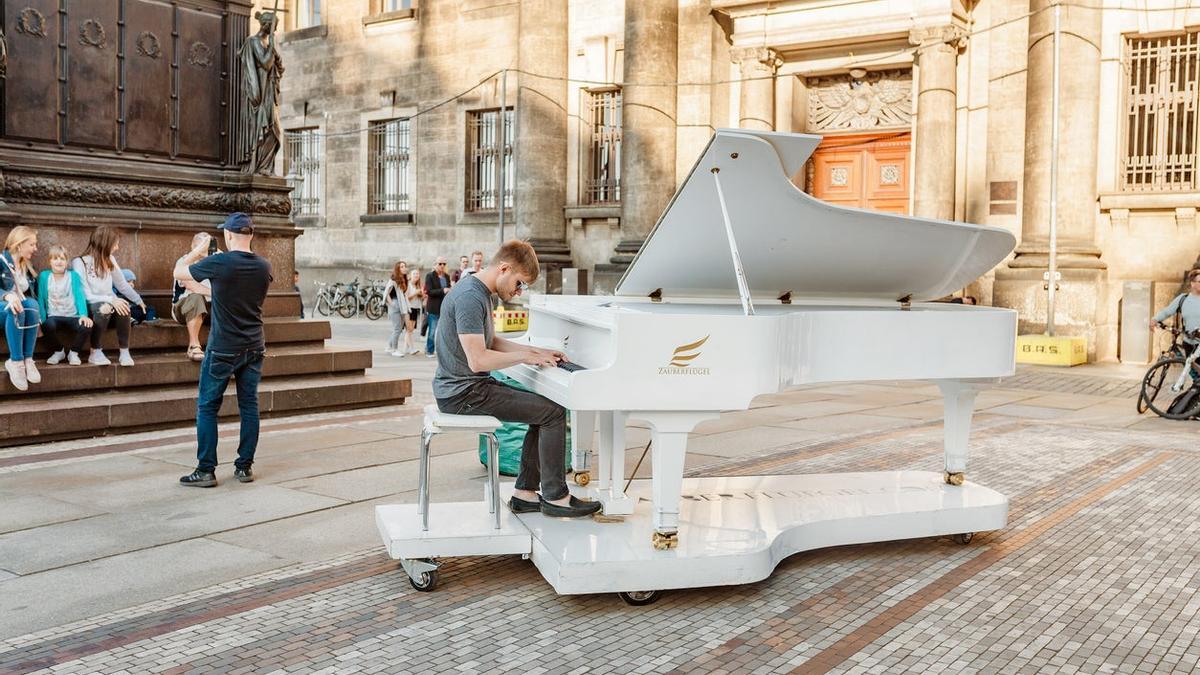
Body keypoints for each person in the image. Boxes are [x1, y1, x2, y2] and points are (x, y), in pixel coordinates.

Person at [434, 240, 600, 518]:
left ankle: (525, 494)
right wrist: (525, 358)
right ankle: (556, 497)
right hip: (463, 394)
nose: (519, 291)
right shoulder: (470, 297)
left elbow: (491, 341)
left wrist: (536, 351)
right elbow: (478, 360)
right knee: (552, 413)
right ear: (504, 268)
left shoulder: (479, 291)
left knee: (546, 408)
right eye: (520, 282)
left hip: (467, 388)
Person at [174, 213, 273, 487]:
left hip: (223, 347)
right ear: (250, 235)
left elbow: (178, 272)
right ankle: (244, 467)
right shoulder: (264, 266)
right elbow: (237, 294)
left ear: (229, 235)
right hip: (254, 345)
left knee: (207, 406)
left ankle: (206, 470)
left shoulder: (219, 262)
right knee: (249, 406)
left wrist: (198, 250)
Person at [72, 226, 147, 366]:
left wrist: (138, 300)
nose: (117, 248)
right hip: (90, 305)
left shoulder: (110, 259)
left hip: (109, 303)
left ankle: (124, 352)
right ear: (105, 243)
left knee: (123, 306)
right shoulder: (79, 262)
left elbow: (122, 284)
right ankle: (95, 352)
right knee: (104, 307)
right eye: (115, 244)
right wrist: (112, 300)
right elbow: (86, 294)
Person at [37, 244, 92, 367]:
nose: (59, 261)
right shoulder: (44, 276)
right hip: (54, 316)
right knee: (47, 325)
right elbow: (40, 298)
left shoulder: (73, 276)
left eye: (62, 258)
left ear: (67, 262)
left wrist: (83, 315)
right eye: (55, 258)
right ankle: (58, 351)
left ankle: (74, 353)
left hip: (73, 315)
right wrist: (42, 319)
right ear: (49, 261)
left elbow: (79, 296)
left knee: (86, 326)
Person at [2, 226, 41, 391]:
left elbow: (32, 296)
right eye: (32, 244)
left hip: (20, 311)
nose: (36, 248)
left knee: (31, 305)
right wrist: (7, 295)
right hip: (4, 307)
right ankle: (16, 362)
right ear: (19, 244)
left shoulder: (26, 267)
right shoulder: (0, 261)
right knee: (15, 305)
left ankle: (28, 360)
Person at [172, 233, 213, 362]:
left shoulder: (216, 261)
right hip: (183, 308)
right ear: (192, 246)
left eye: (205, 246)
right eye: (199, 246)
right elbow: (195, 288)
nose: (202, 250)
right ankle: (193, 346)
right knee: (196, 297)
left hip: (210, 308)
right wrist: (217, 293)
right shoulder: (183, 262)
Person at [1152, 269, 1200, 355]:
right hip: (1189, 343)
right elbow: (1167, 311)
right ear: (1192, 283)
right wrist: (1155, 319)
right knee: (1190, 367)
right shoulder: (1183, 299)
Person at [422, 256, 451, 357]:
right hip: (433, 307)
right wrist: (442, 290)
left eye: (444, 264)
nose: (442, 266)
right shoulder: (430, 276)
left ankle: (441, 351)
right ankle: (429, 350)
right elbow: (429, 291)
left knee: (443, 331)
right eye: (440, 264)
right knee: (432, 331)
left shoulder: (447, 276)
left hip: (444, 307)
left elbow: (449, 289)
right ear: (435, 265)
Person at [384, 261, 411, 357]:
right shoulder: (393, 280)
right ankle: (394, 349)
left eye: (405, 266)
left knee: (399, 329)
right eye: (401, 267)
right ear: (398, 269)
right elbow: (386, 293)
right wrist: (392, 304)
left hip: (402, 305)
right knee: (397, 329)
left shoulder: (404, 279)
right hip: (396, 304)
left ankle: (388, 347)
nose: (404, 268)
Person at [405, 269, 423, 355]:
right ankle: (411, 348)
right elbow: (407, 297)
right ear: (410, 275)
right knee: (409, 330)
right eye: (414, 273)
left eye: (418, 274)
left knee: (411, 330)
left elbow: (419, 298)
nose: (416, 275)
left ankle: (406, 348)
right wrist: (416, 293)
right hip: (409, 308)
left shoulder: (417, 285)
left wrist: (421, 294)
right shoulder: (408, 285)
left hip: (415, 308)